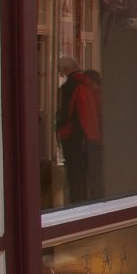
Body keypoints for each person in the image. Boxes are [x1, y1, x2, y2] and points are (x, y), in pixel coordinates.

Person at [57, 56, 105, 204]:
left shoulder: (70, 86)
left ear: (65, 70)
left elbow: (66, 112)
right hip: (91, 134)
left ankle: (78, 203)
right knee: (90, 173)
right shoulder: (89, 84)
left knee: (76, 174)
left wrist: (57, 126)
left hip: (73, 135)